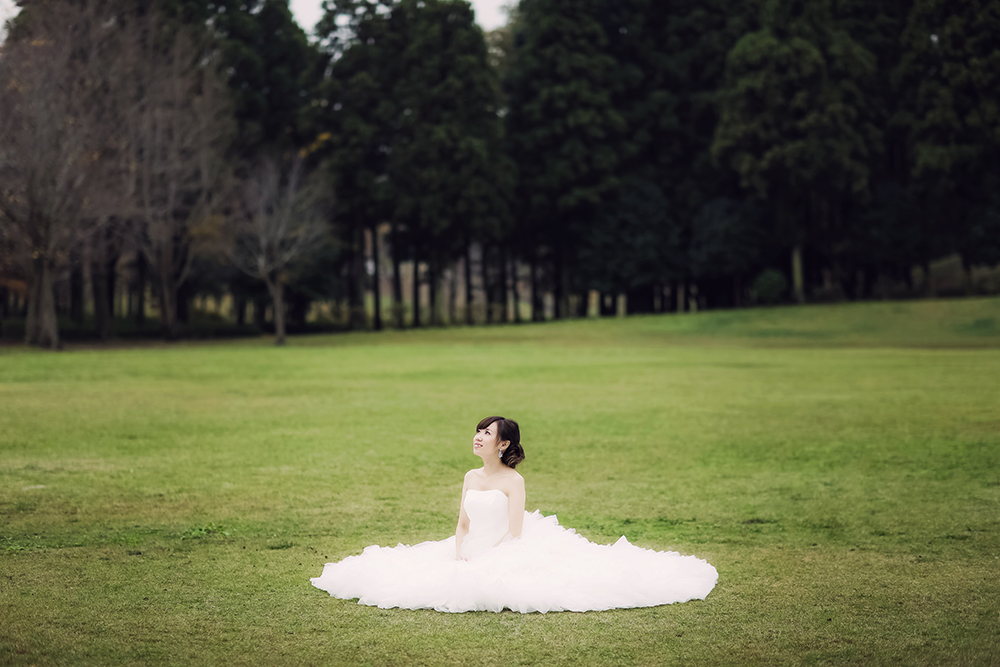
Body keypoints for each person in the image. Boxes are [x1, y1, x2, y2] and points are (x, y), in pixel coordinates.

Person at [311, 416, 718, 613]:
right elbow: (462, 523)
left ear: (503, 444)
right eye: (478, 431)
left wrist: (486, 559)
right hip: (470, 547)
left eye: (486, 433)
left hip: (504, 548)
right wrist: (459, 552)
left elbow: (515, 533)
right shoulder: (470, 475)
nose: (478, 437)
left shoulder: (512, 482)